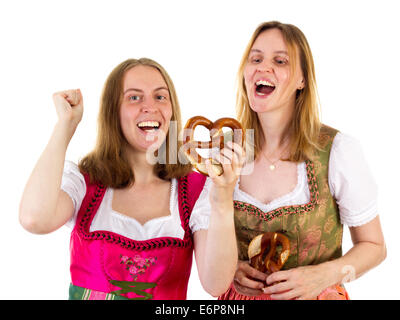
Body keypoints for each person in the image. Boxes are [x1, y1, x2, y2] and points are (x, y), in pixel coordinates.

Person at [19, 58, 243, 300]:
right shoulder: (84, 183)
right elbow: (34, 220)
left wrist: (223, 198)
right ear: (112, 110)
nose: (150, 107)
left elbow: (216, 284)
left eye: (160, 97)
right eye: (134, 97)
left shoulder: (197, 190)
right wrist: (66, 125)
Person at [218, 21, 386, 300]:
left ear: (302, 80)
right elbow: (198, 242)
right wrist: (230, 268)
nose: (263, 67)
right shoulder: (224, 152)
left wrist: (324, 275)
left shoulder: (337, 151)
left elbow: (375, 246)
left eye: (280, 61)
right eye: (256, 58)